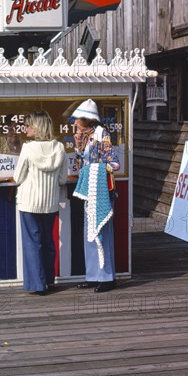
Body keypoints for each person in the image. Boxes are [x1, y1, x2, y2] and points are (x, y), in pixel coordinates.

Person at [13, 111, 68, 295]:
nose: (25, 128)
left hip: (29, 203)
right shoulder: (59, 148)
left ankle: (38, 284)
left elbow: (17, 177)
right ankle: (50, 280)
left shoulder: (28, 148)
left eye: (28, 125)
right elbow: (62, 179)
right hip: (50, 203)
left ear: (36, 127)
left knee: (32, 243)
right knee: (48, 242)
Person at [72, 99, 120, 293]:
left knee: (102, 233)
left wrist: (93, 169)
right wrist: (77, 147)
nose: (75, 124)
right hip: (89, 191)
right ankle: (92, 275)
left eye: (77, 121)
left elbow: (114, 163)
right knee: (89, 233)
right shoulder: (85, 137)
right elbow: (78, 166)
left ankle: (107, 277)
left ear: (87, 120)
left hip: (101, 190)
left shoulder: (102, 136)